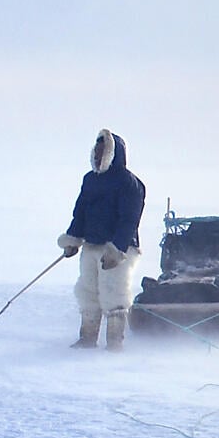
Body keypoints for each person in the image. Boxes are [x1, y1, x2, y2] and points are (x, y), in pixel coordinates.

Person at [57, 128, 147, 351]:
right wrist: (73, 240)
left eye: (102, 150)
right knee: (89, 291)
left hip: (118, 249)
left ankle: (115, 342)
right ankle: (87, 338)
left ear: (113, 154)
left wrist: (117, 250)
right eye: (95, 150)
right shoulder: (90, 180)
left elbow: (129, 219)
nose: (97, 155)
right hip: (92, 245)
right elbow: (80, 212)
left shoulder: (129, 183)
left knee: (114, 293)